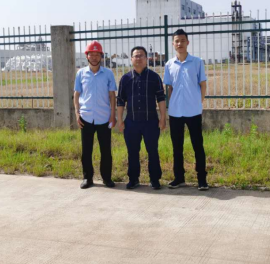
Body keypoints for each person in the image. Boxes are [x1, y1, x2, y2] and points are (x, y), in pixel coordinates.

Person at [163, 29, 209, 191]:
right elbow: (170, 88)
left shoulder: (197, 62)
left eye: (182, 40)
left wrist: (198, 102)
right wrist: (171, 104)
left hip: (193, 111)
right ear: (173, 44)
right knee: (177, 147)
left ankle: (202, 179)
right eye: (177, 41)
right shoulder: (169, 65)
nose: (180, 43)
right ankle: (179, 178)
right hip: (175, 112)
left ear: (187, 42)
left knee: (198, 146)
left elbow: (203, 84)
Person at [117, 46, 167, 190]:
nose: (138, 58)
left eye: (141, 56)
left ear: (146, 59)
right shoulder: (125, 79)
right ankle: (133, 179)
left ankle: (155, 179)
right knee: (132, 152)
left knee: (153, 151)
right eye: (135, 56)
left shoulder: (154, 77)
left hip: (150, 122)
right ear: (131, 59)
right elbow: (120, 101)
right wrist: (120, 120)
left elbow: (161, 98)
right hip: (131, 122)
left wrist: (163, 118)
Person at [74, 41, 117, 189]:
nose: (94, 57)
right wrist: (77, 113)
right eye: (91, 54)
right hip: (86, 117)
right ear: (87, 56)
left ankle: (107, 178)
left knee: (106, 150)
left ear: (101, 56)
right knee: (86, 150)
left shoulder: (108, 74)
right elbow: (76, 94)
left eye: (97, 54)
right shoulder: (81, 73)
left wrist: (113, 115)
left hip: (104, 117)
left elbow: (112, 95)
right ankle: (87, 178)